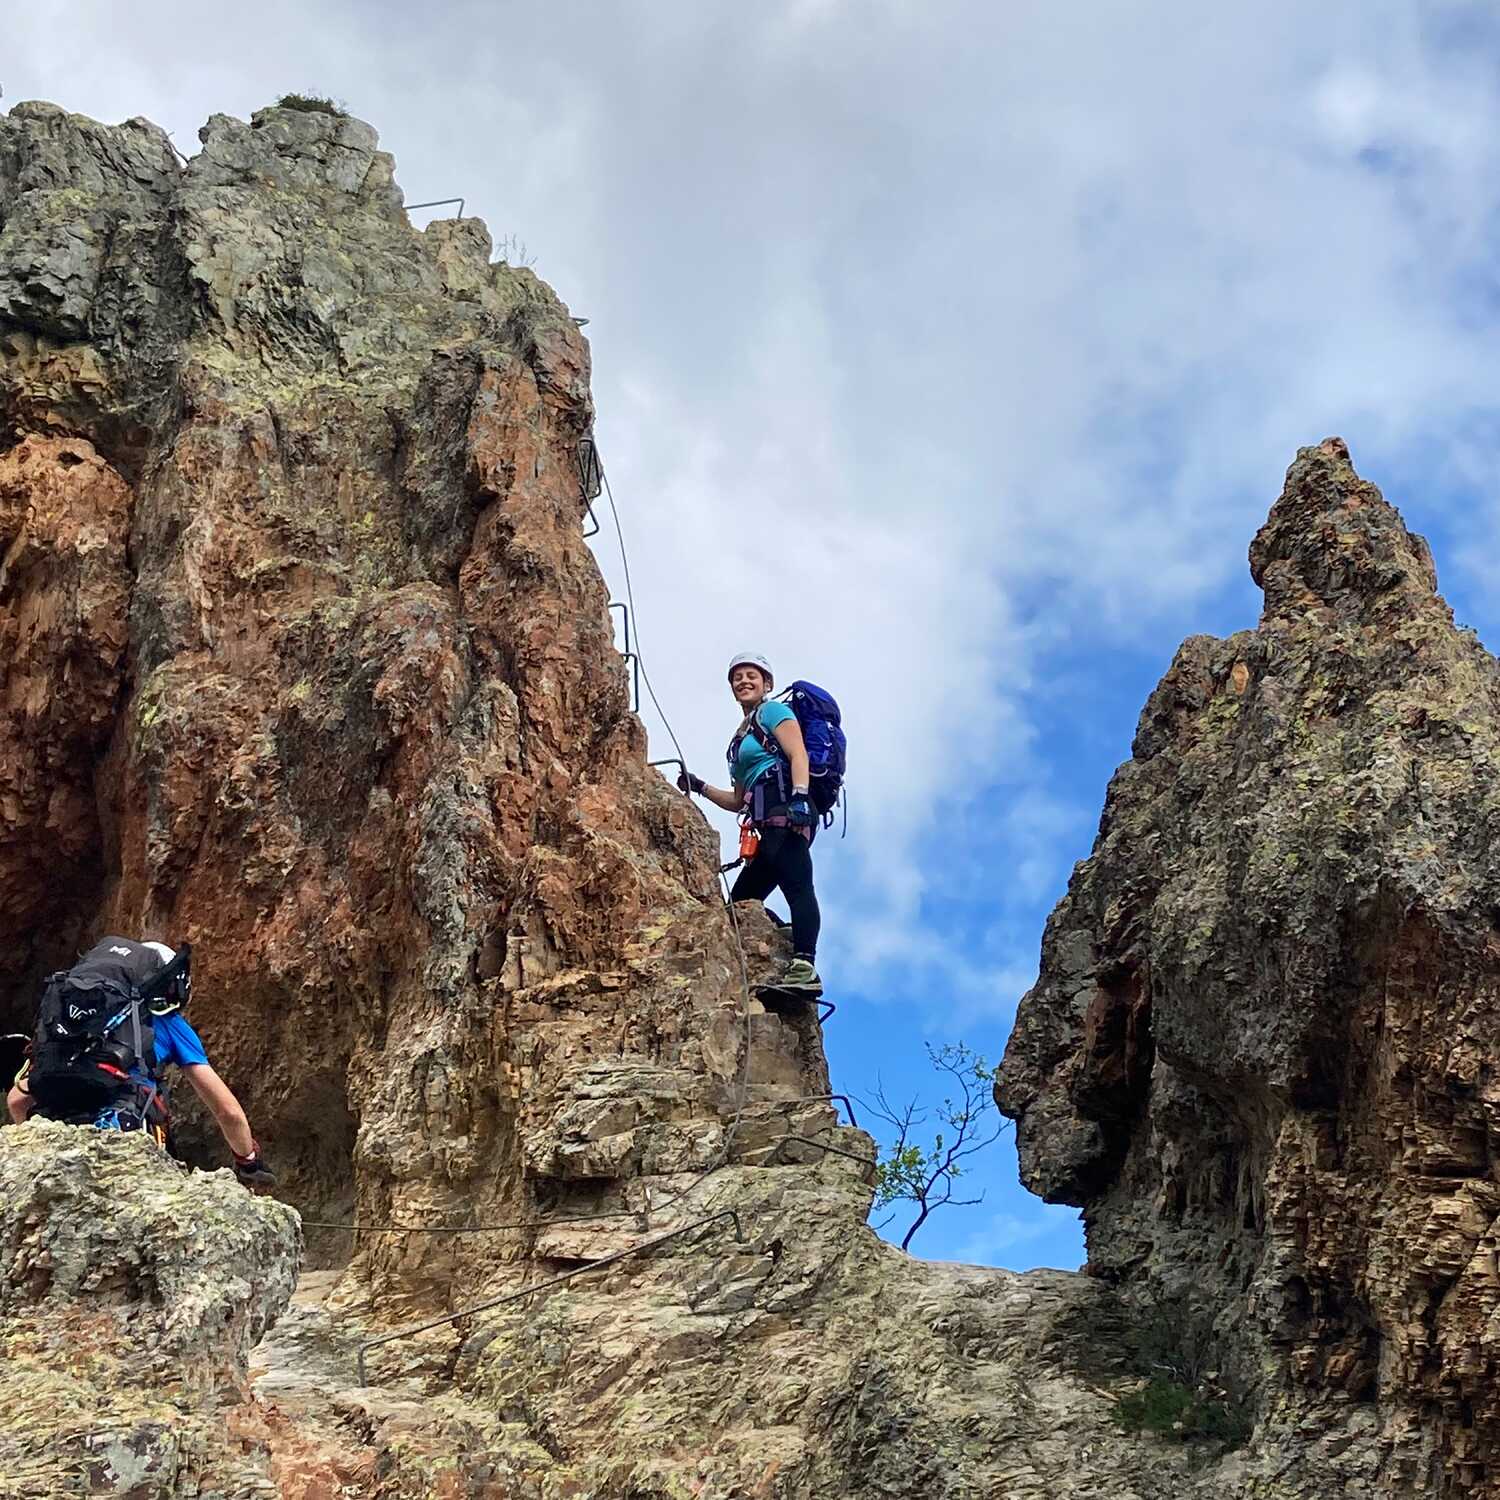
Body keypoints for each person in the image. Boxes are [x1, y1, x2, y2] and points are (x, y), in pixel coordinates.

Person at [6, 936, 275, 1188]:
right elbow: (227, 1111)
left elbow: (17, 1100)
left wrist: (35, 1143)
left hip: (55, 1138)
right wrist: (248, 1161)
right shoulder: (168, 1024)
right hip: (125, 1136)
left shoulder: (69, 1029)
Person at [679, 652, 823, 994]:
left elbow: (797, 753)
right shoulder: (740, 741)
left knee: (797, 884)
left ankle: (805, 965)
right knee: (742, 903)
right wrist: (699, 787)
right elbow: (736, 800)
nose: (743, 681)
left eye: (751, 676)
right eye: (737, 678)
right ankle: (781, 936)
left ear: (766, 683)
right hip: (765, 821)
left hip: (787, 811)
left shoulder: (772, 713)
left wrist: (800, 796)